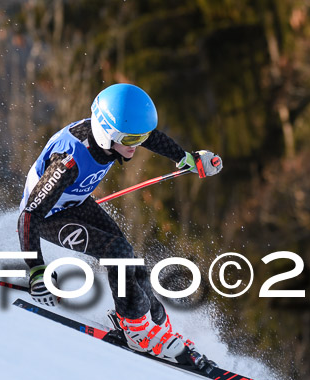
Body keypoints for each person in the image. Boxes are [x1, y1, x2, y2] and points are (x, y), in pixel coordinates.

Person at [18, 83, 222, 365]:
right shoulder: (69, 161)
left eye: (139, 138)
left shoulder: (117, 136)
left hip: (77, 203)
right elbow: (29, 214)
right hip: (51, 216)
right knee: (116, 252)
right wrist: (36, 270)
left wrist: (187, 159)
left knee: (127, 254)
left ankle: (156, 321)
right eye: (130, 141)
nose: (136, 146)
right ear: (107, 135)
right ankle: (135, 329)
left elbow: (150, 138)